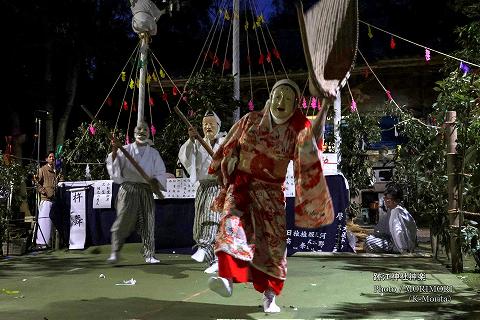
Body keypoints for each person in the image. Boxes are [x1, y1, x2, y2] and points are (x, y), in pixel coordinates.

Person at [206, 79, 335, 313]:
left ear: (296, 104)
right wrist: (229, 161)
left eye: (287, 98)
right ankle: (225, 277)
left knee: (273, 247)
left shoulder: (297, 130)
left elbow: (312, 145)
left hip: (271, 194)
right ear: (270, 99)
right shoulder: (250, 120)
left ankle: (270, 297)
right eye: (277, 96)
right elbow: (229, 145)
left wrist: (325, 107)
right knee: (230, 226)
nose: (281, 102)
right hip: (242, 187)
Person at [105, 120, 167, 264]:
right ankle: (115, 251)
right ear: (134, 133)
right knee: (122, 220)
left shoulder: (154, 153)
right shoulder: (125, 149)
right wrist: (115, 151)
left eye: (145, 129)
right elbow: (114, 168)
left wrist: (155, 182)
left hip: (145, 190)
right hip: (128, 189)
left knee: (148, 221)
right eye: (139, 129)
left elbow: (160, 172)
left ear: (148, 132)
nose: (142, 132)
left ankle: (149, 254)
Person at [178, 111, 226, 274]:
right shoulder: (198, 142)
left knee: (210, 217)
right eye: (205, 124)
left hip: (218, 186)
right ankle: (214, 260)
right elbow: (186, 158)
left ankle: (205, 246)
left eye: (211, 124)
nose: (207, 127)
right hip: (203, 186)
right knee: (199, 223)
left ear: (218, 126)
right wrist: (191, 140)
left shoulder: (225, 142)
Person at [364, 183, 417, 253]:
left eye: (388, 198)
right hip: (393, 242)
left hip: (398, 246)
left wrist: (403, 251)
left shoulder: (397, 211)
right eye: (385, 197)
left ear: (396, 200)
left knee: (369, 241)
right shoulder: (395, 210)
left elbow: (399, 232)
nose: (386, 200)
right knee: (370, 238)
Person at [34, 151, 63, 249]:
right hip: (45, 199)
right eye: (50, 157)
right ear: (46, 159)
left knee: (52, 223)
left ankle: (50, 243)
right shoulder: (42, 169)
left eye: (53, 157)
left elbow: (61, 182)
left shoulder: (56, 170)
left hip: (54, 199)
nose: (52, 159)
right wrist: (43, 190)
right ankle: (41, 243)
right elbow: (36, 182)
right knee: (44, 222)